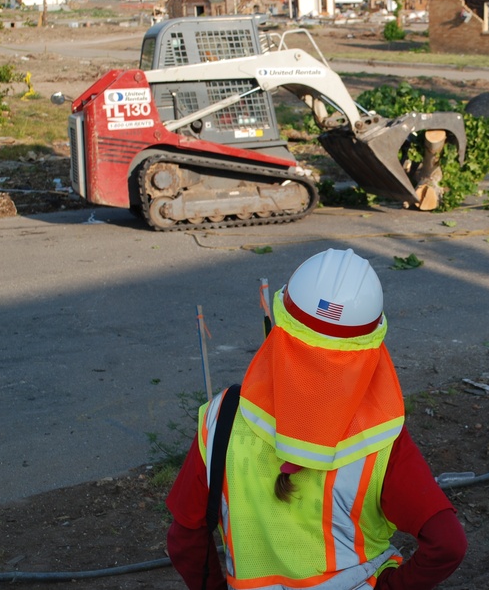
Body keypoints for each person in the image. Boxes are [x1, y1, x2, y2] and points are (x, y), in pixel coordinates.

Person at [166, 248, 467, 590]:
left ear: (280, 322)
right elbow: (447, 544)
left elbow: (184, 539)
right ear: (370, 342)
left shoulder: (222, 416)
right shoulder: (380, 438)